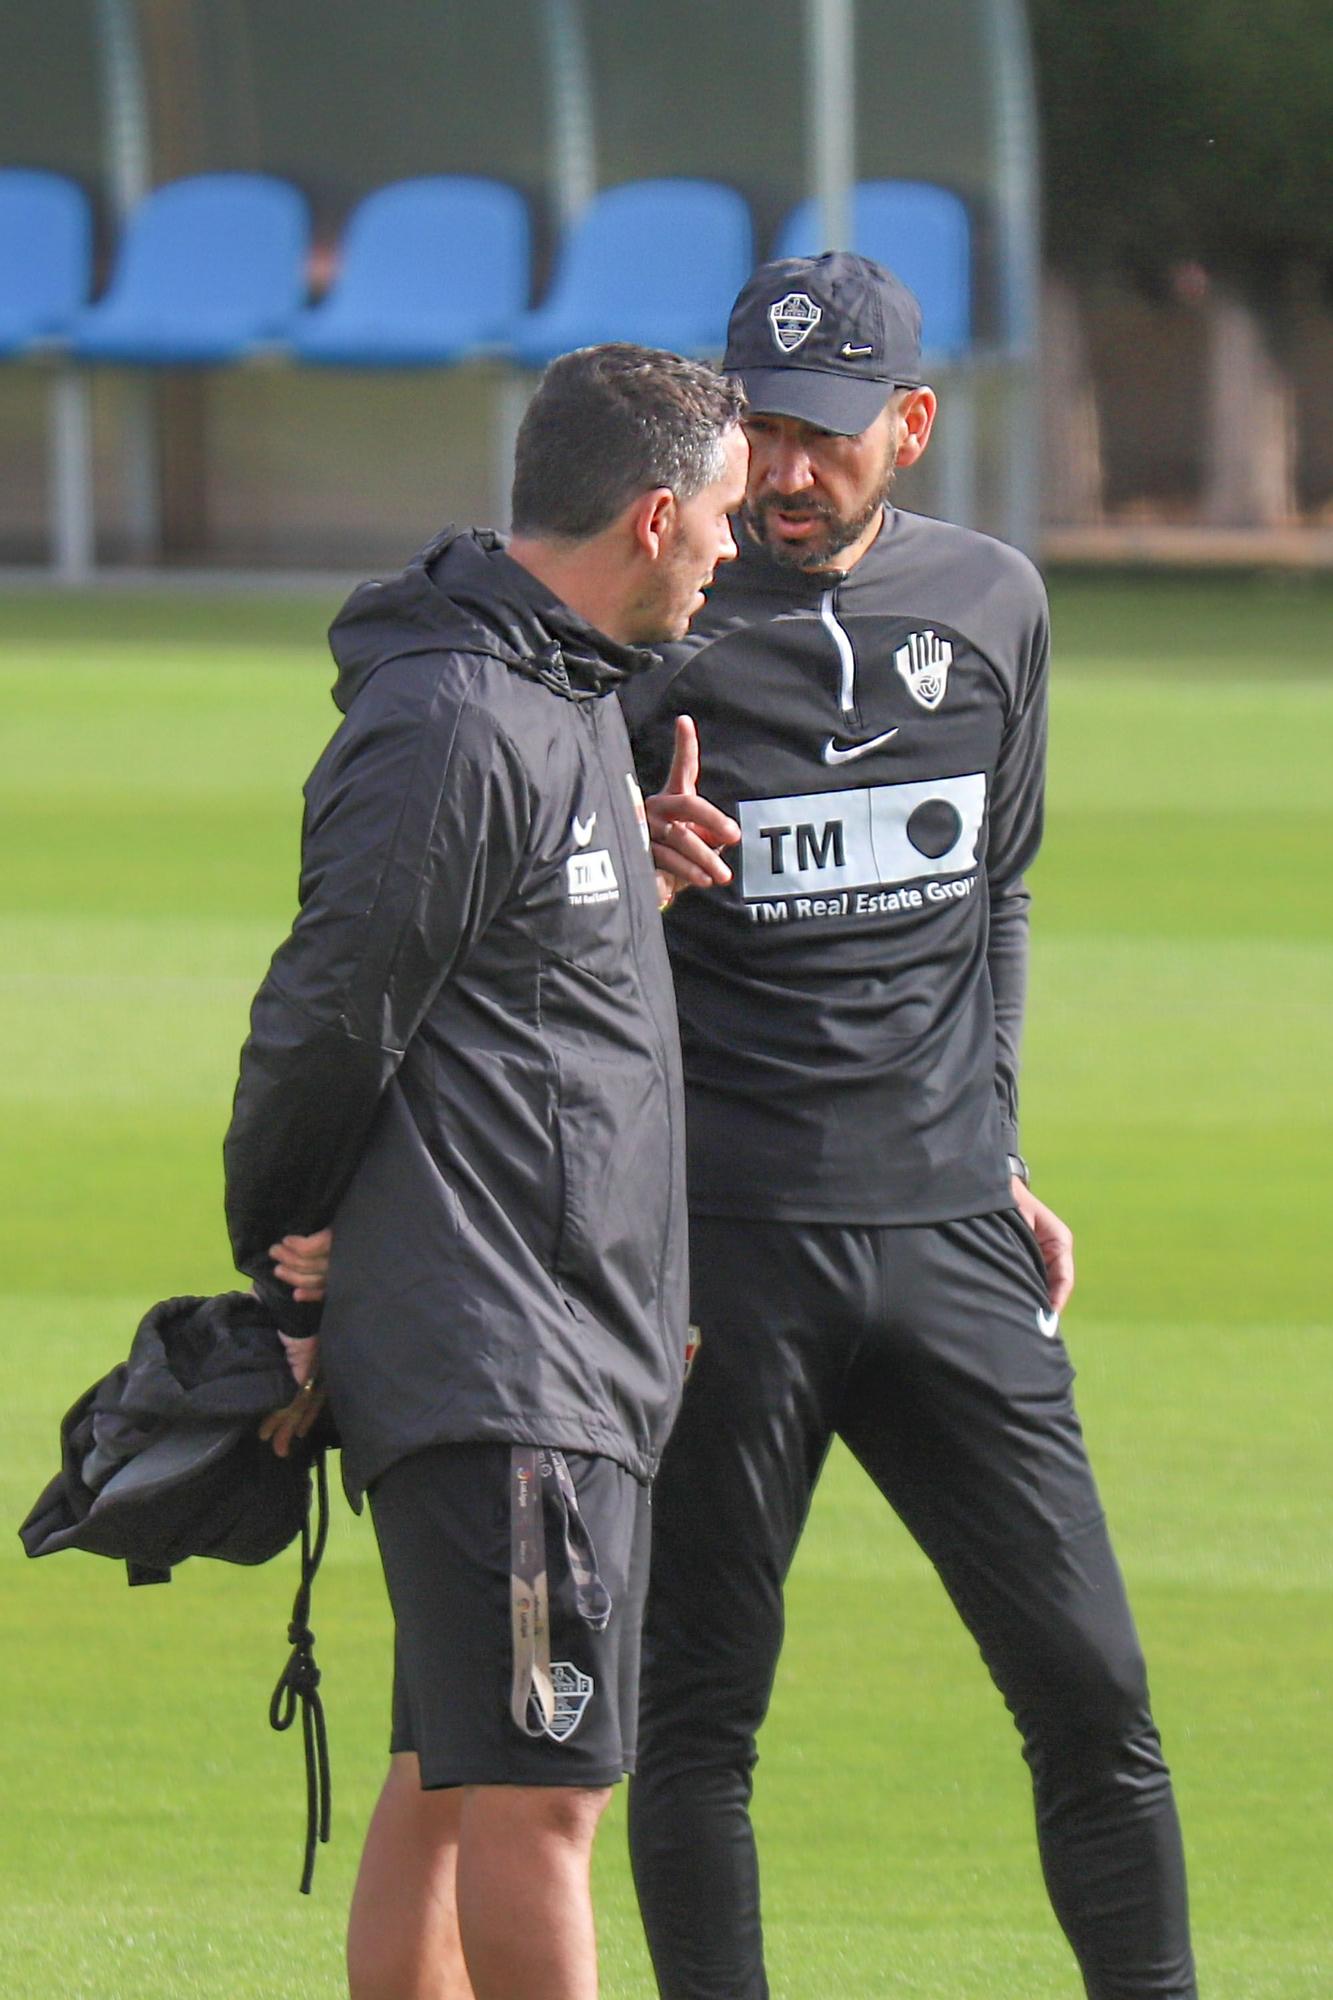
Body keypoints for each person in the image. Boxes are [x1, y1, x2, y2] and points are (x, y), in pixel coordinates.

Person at [622, 254, 1197, 1999]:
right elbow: (530, 939)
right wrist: (624, 878)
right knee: (700, 1718)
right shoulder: (647, 628)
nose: (790, 473)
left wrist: (998, 1142)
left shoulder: (995, 600)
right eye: (763, 430)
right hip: (727, 1248)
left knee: (1093, 1694)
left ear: (914, 427)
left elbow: (996, 891)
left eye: (829, 435)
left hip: (950, 1235)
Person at [222, 342, 748, 2000]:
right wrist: (283, 1239)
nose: (735, 548)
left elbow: (493, 984)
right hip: (510, 1361)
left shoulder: (559, 690)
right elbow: (329, 1011)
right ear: (655, 514)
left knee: (444, 1787)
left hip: (545, 1341)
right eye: (722, 516)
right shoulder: (462, 713)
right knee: (538, 1807)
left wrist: (616, 902)